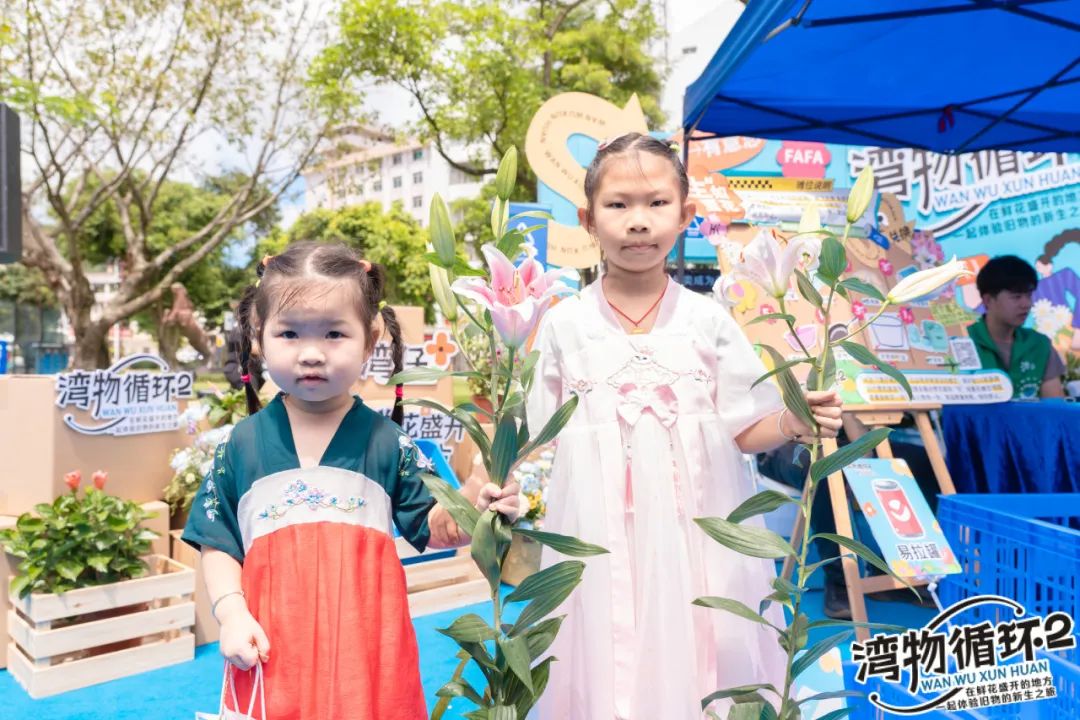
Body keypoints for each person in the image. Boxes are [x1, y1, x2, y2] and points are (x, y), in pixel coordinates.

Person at [525, 133, 843, 720]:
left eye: (656, 203)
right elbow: (537, 437)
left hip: (697, 533)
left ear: (685, 215)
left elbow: (744, 427)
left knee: (702, 646)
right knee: (601, 650)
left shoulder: (707, 320)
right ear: (588, 220)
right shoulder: (565, 325)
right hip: (597, 537)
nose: (638, 221)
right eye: (618, 204)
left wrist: (793, 420)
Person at [182, 242, 520, 719]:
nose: (311, 353)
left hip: (368, 659)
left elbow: (438, 529)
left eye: (335, 333)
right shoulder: (241, 445)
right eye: (289, 333)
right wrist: (231, 613)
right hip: (272, 653)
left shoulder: (388, 443)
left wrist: (475, 505)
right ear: (258, 335)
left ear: (371, 337)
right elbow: (217, 542)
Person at [967, 255, 1066, 399]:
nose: (1026, 304)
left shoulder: (1039, 345)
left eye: (1029, 295)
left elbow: (1055, 406)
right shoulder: (964, 342)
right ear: (988, 300)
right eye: (1016, 297)